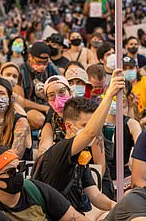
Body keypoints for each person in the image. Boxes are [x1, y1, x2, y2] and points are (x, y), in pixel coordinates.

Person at [34, 71, 123, 215]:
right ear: (69, 126)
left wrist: (117, 207)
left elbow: (95, 196)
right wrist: (110, 94)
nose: (91, 130)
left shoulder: (81, 156)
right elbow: (90, 133)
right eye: (85, 125)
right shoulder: (60, 151)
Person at [0, 143, 86, 221]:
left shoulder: (37, 190)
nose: (18, 173)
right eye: (11, 172)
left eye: (19, 167)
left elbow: (74, 217)